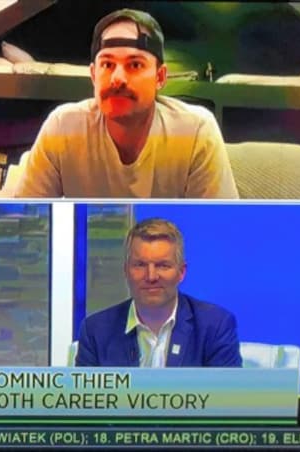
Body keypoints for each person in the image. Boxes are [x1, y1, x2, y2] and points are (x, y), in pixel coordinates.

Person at [14, 9, 238, 198]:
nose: (117, 78)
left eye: (135, 65)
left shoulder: (196, 132)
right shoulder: (62, 128)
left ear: (160, 77)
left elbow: (221, 229)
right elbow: (25, 223)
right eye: (107, 65)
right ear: (93, 75)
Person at [75, 218, 242, 367]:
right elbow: (84, 399)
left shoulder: (214, 326)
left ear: (181, 272)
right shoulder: (96, 330)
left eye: (163, 265)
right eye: (140, 265)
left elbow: (226, 398)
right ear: (126, 271)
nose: (151, 276)